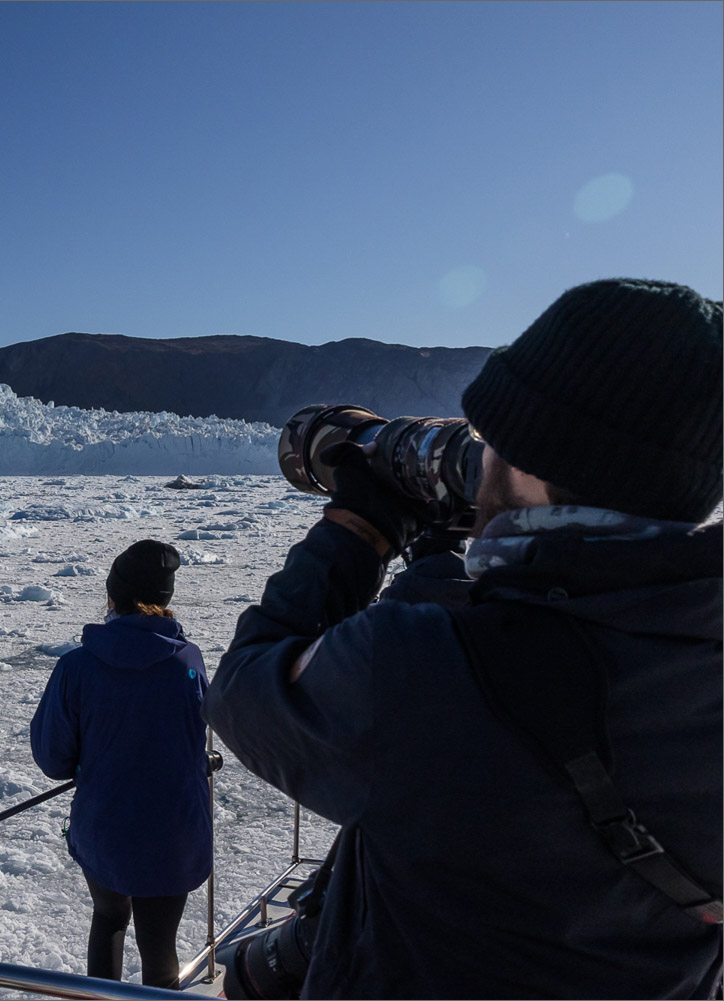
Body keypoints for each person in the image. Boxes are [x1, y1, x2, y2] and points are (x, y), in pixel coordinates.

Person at [203, 278, 723, 999]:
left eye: (495, 439)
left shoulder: (426, 666)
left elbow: (244, 690)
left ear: (539, 461)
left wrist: (356, 531)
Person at [30, 539, 212, 989]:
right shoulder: (188, 661)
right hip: (175, 830)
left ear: (114, 595)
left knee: (110, 916)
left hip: (107, 826)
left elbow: (53, 758)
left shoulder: (76, 667)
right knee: (159, 942)